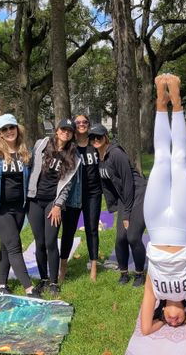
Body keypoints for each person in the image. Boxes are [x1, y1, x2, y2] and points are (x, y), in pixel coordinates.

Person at [140, 74, 186, 337]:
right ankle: (176, 104)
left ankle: (160, 102)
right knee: (178, 161)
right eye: (177, 321)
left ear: (162, 312)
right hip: (182, 224)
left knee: (161, 161)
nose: (173, 321)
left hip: (155, 225)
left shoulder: (153, 290)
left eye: (168, 322)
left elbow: (145, 330)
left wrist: (158, 322)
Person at [26, 118, 81, 296]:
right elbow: (30, 167)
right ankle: (43, 279)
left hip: (52, 202)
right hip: (34, 199)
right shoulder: (41, 144)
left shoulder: (73, 156)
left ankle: (54, 282)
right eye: (62, 129)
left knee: (50, 241)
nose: (65, 133)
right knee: (39, 242)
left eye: (69, 131)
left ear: (72, 135)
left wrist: (58, 205)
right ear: (56, 131)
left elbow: (67, 186)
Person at [0, 114, 37, 297]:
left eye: (11, 127)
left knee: (6, 246)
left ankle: (1, 286)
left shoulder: (25, 153)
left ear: (17, 128)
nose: (9, 132)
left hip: (18, 207)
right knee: (14, 244)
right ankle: (29, 289)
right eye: (4, 129)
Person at [89, 124, 147, 287]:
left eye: (99, 137)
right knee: (121, 237)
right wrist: (115, 206)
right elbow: (108, 184)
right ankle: (123, 274)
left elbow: (128, 183)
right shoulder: (98, 156)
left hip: (138, 194)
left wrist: (127, 213)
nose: (96, 140)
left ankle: (139, 274)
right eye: (92, 138)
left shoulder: (116, 154)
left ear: (105, 137)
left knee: (133, 236)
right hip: (124, 197)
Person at [71, 114, 103, 282]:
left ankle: (94, 265)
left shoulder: (95, 143)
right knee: (69, 231)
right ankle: (62, 267)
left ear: (88, 125)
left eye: (84, 122)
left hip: (93, 193)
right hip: (74, 194)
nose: (81, 124)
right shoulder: (70, 146)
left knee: (91, 229)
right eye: (78, 122)